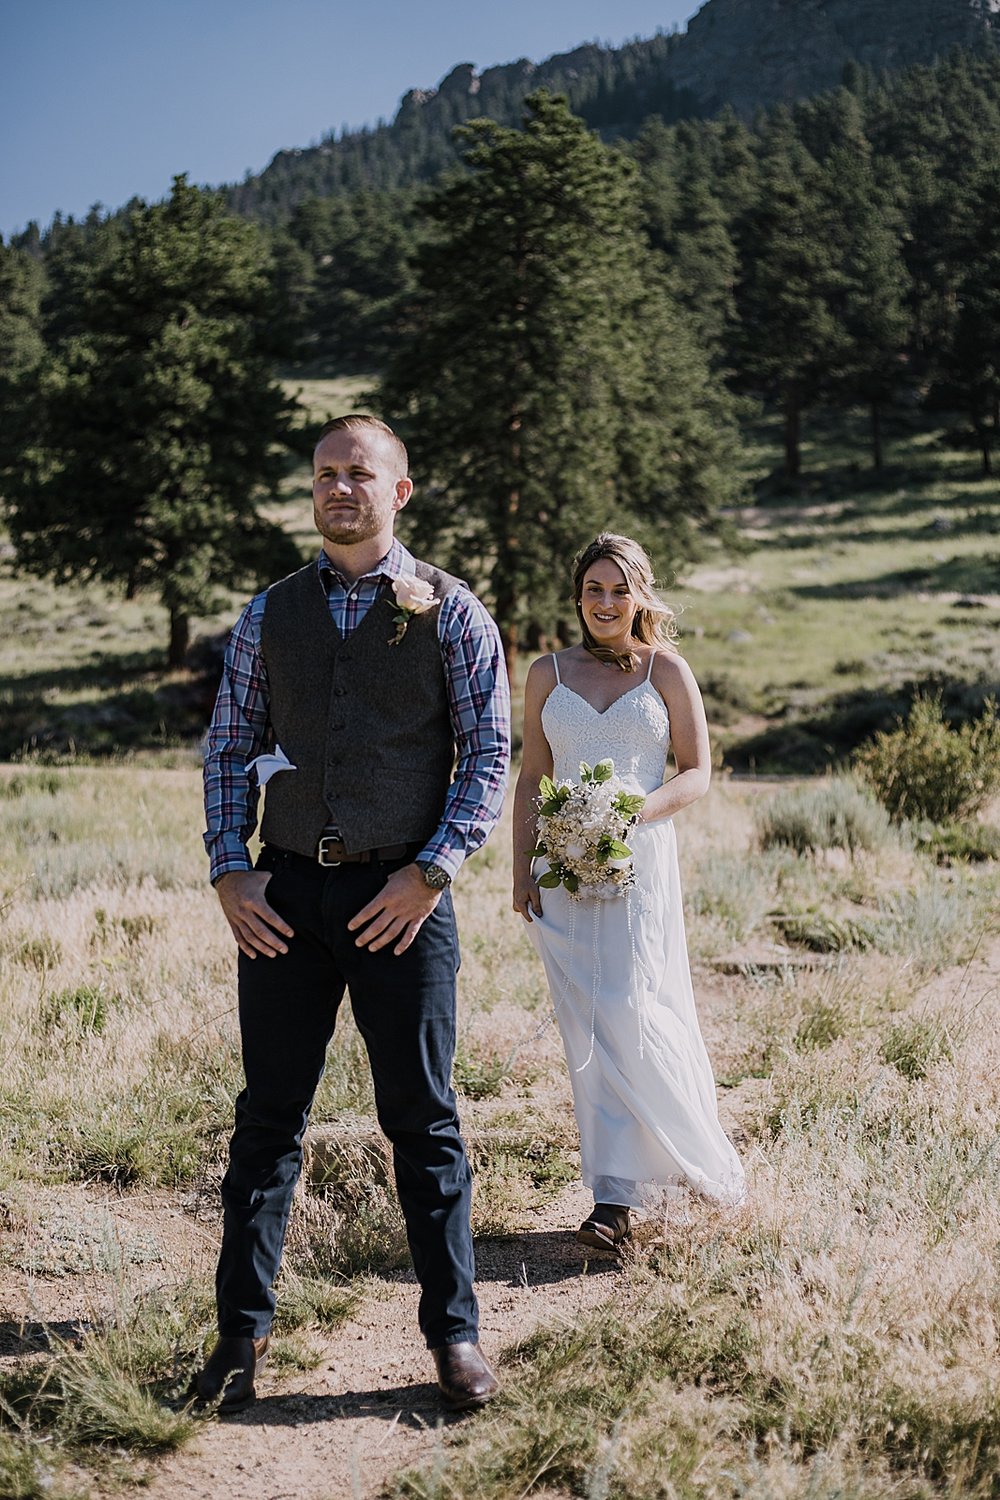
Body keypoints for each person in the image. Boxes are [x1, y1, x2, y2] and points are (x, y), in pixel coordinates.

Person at [196, 413, 510, 1413]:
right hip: (284, 895)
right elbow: (229, 748)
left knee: (422, 1121)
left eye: (359, 474)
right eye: (326, 473)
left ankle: (453, 1338)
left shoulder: (452, 613)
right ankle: (239, 1339)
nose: (340, 488)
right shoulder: (265, 615)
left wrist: (430, 873)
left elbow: (488, 757)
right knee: (267, 1122)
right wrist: (229, 872)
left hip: (403, 899)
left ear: (398, 491)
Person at [512, 533, 744, 1250]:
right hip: (564, 871)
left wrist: (632, 810)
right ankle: (612, 1200)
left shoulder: (666, 671)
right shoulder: (547, 672)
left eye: (619, 589)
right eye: (593, 590)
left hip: (639, 862)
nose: (605, 603)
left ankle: (693, 1160)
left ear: (641, 595)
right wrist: (520, 869)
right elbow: (532, 777)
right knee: (586, 1028)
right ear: (578, 596)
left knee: (631, 1010)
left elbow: (697, 772)